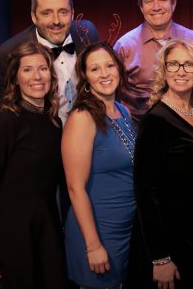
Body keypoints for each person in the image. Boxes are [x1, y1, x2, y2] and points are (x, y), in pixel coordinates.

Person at [0, 42, 68, 289]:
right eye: (27, 70)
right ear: (15, 77)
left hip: (48, 229)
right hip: (13, 231)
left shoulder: (53, 122)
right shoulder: (5, 122)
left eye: (43, 68)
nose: (37, 77)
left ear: (51, 74)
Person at [129, 39, 193, 288]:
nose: (181, 71)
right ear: (164, 70)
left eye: (189, 64)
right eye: (174, 64)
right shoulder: (155, 121)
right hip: (168, 240)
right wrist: (160, 258)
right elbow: (145, 193)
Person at [62, 41, 136, 289]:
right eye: (95, 69)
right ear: (85, 78)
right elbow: (75, 188)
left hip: (125, 228)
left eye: (109, 65)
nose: (104, 74)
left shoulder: (122, 110)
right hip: (97, 230)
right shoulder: (82, 118)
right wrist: (93, 245)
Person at [0, 0, 100, 124]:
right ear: (34, 16)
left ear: (72, 13)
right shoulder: (7, 54)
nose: (56, 21)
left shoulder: (87, 33)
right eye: (47, 13)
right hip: (41, 141)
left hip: (90, 135)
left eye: (63, 12)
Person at [114, 0, 193, 126]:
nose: (156, 7)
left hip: (189, 130)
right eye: (149, 1)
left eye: (162, 0)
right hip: (140, 133)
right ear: (141, 7)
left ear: (173, 3)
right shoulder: (125, 47)